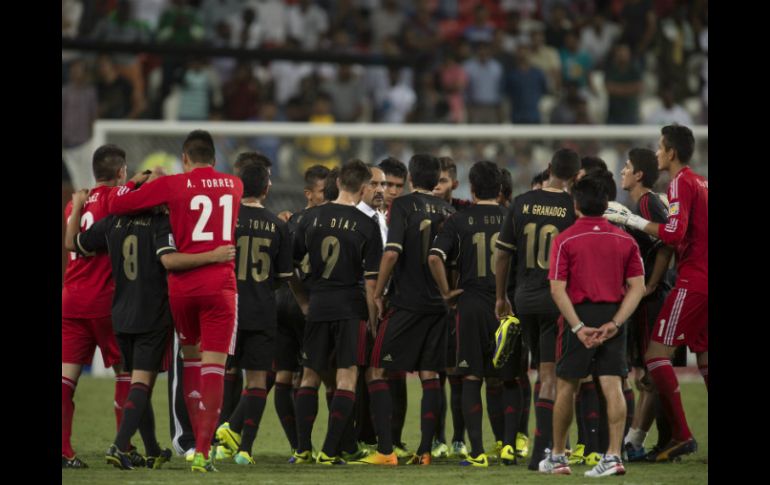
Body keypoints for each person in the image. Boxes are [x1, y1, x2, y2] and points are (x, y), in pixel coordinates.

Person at [65, 181, 234, 470]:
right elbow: (169, 260)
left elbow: (73, 244)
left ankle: (152, 448)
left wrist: (77, 208)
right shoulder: (160, 223)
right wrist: (214, 256)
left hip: (119, 312)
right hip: (151, 313)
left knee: (136, 384)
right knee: (142, 384)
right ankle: (119, 445)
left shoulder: (112, 222)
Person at [109, 130, 244, 473]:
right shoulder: (234, 185)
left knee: (191, 363)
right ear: (214, 159)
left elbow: (116, 203)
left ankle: (190, 444)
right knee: (215, 369)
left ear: (184, 158)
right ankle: (201, 451)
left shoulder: (174, 185)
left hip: (182, 289)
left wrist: (140, 181)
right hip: (219, 286)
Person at [604, 124, 707, 462]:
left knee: (655, 355)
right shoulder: (701, 182)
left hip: (694, 279)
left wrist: (631, 221)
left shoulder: (679, 183)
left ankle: (681, 435)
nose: (658, 152)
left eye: (661, 147)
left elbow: (673, 236)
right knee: (704, 359)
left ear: (672, 153)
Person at [539, 174, 646, 477]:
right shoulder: (625, 240)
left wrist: (577, 327)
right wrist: (614, 323)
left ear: (575, 204)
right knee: (612, 384)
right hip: (614, 313)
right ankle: (613, 456)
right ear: (606, 204)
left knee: (567, 386)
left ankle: (558, 456)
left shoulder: (565, 239)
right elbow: (637, 287)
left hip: (579, 314)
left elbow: (557, 289)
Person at [360, 154, 455, 466]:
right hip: (438, 306)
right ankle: (425, 451)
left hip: (406, 303)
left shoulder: (403, 206)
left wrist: (378, 291)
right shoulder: (448, 210)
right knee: (430, 375)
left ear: (412, 179)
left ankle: (386, 450)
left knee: (377, 370)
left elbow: (392, 253)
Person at [290, 160, 383, 465]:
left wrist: (303, 299)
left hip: (318, 305)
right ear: (364, 186)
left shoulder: (311, 218)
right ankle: (329, 452)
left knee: (309, 377)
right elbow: (371, 283)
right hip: (350, 308)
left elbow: (288, 266)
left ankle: (302, 449)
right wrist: (372, 319)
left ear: (340, 181)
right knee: (346, 379)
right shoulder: (367, 224)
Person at [493, 148, 581, 470]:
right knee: (551, 376)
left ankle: (543, 447)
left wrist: (501, 296)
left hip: (525, 300)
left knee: (537, 373)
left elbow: (502, 255)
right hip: (557, 300)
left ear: (548, 169)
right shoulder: (573, 208)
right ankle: (544, 452)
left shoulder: (520, 202)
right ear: (574, 177)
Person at [428, 160, 507, 467]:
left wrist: (447, 292)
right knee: (503, 380)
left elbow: (435, 258)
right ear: (499, 190)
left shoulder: (459, 220)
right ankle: (506, 447)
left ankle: (476, 453)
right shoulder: (509, 216)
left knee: (471, 377)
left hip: (470, 304)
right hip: (504, 305)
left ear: (472, 189)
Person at [215, 162, 293, 465]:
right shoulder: (277, 224)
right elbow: (283, 275)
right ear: (266, 188)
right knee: (258, 381)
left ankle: (219, 443)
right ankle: (246, 449)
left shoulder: (227, 221)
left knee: (225, 373)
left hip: (227, 307)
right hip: (261, 309)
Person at [62, 144, 131, 469]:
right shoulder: (115, 200)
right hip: (105, 301)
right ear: (120, 173)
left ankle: (64, 451)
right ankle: (124, 445)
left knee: (65, 380)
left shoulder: (73, 205)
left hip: (71, 299)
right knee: (126, 373)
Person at [615, 148, 676, 461]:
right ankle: (665, 440)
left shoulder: (648, 202)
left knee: (652, 373)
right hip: (650, 298)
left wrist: (651, 284)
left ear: (638, 174)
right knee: (649, 374)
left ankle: (635, 441)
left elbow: (668, 241)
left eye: (626, 167)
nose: (622, 172)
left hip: (655, 298)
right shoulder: (640, 203)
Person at [272, 165, 331, 454]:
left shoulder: (291, 220)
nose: (329, 196)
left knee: (284, 377)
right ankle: (321, 446)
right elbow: (291, 266)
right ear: (309, 194)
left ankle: (299, 448)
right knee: (321, 375)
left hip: (280, 302)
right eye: (324, 192)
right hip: (302, 304)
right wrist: (304, 301)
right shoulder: (320, 220)